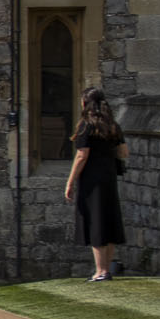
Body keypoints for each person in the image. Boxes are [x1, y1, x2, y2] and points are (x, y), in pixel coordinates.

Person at [66, 86, 128, 279]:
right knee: (108, 219)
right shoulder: (112, 125)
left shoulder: (86, 125)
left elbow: (81, 156)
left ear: (85, 103)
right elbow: (124, 152)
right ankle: (106, 269)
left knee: (96, 221)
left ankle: (100, 271)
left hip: (92, 179)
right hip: (109, 176)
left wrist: (70, 182)